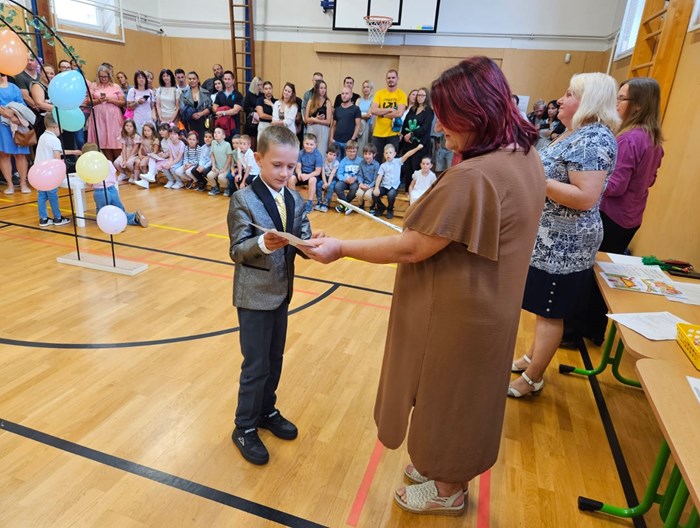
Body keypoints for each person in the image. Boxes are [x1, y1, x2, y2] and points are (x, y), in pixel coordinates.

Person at [304, 56, 545, 517]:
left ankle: (448, 487)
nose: (440, 127)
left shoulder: (475, 175)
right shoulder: (523, 154)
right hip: (491, 303)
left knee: (451, 395)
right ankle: (440, 466)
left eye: (447, 117)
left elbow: (414, 246)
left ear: (474, 114)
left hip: (464, 311)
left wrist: (341, 247)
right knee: (460, 393)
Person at [510, 72, 620, 398]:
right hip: (550, 239)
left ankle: (533, 378)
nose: (561, 99)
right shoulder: (577, 133)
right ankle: (532, 358)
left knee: (550, 311)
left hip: (566, 244)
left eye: (570, 94)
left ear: (588, 101)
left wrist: (537, 181)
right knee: (542, 308)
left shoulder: (594, 139)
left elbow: (585, 197)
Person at [228, 125, 322, 465]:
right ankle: (244, 426)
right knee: (256, 365)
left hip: (282, 293)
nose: (284, 173)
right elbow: (237, 250)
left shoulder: (295, 198)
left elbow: (302, 237)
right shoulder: (243, 199)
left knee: (275, 359)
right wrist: (263, 244)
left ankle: (266, 410)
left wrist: (313, 245)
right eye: (277, 165)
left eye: (290, 166)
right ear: (258, 159)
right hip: (254, 297)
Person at [568, 77, 665, 346]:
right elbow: (650, 179)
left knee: (589, 274)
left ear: (638, 105)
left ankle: (575, 332)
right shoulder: (653, 139)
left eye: (621, 99)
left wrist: (584, 180)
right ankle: (594, 329)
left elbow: (615, 186)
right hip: (631, 217)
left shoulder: (629, 139)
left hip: (611, 216)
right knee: (604, 275)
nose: (616, 104)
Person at [84, 142, 148, 228]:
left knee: (102, 210)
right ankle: (133, 218)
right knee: (119, 209)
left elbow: (90, 183)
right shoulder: (108, 162)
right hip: (112, 189)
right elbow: (115, 177)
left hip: (100, 192)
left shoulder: (90, 167)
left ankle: (108, 225)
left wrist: (86, 180)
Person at [34, 114, 80, 227]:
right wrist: (61, 173)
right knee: (53, 195)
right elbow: (57, 158)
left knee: (42, 196)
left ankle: (43, 218)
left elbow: (56, 151)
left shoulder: (43, 137)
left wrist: (73, 152)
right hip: (49, 173)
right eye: (61, 127)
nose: (62, 130)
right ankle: (58, 218)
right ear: (55, 127)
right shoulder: (54, 140)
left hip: (39, 172)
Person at [372, 142, 423, 220]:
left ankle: (390, 209)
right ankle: (381, 207)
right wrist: (376, 187)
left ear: (394, 154)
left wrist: (417, 148)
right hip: (384, 186)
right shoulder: (383, 165)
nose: (388, 155)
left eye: (390, 153)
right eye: (386, 153)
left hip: (393, 187)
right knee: (374, 194)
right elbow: (379, 177)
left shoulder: (398, 161)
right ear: (384, 154)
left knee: (391, 194)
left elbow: (408, 154)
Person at [0, 74, 31, 194]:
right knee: (4, 155)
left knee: (20, 154)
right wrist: (6, 114)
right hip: (1, 125)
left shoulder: (13, 87)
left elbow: (21, 103)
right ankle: (10, 184)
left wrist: (14, 115)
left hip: (17, 123)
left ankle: (23, 183)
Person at [87, 64, 125, 161]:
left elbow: (123, 103)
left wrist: (110, 100)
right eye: (101, 76)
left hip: (113, 117)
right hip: (99, 117)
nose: (103, 79)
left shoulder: (115, 86)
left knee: (115, 140)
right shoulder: (94, 85)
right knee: (102, 140)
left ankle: (119, 164)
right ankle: (109, 164)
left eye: (105, 76)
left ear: (109, 76)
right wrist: (98, 101)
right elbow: (88, 101)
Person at [399, 87, 434, 191]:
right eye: (418, 95)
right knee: (408, 167)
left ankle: (418, 190)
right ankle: (407, 190)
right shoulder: (412, 109)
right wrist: (405, 134)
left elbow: (425, 128)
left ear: (426, 97)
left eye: (422, 95)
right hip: (408, 143)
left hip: (420, 144)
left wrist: (412, 134)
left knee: (416, 167)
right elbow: (405, 123)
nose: (420, 97)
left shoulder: (429, 111)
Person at [371, 69, 407, 155]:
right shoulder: (379, 93)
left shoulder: (401, 94)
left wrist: (382, 114)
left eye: (393, 77)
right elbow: (373, 110)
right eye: (389, 78)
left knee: (391, 160)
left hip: (393, 133)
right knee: (376, 159)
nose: (391, 79)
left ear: (397, 79)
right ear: (386, 79)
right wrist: (390, 110)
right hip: (378, 133)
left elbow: (399, 113)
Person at [289, 132, 322, 212]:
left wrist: (307, 176)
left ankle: (309, 202)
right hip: (302, 173)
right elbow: (298, 167)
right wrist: (299, 174)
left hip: (312, 174)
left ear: (315, 145)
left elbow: (317, 171)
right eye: (307, 144)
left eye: (311, 144)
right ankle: (294, 200)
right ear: (303, 143)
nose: (309, 146)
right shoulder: (300, 153)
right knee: (291, 178)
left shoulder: (318, 155)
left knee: (312, 180)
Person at [180, 71, 211, 145]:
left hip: (203, 121)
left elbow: (209, 107)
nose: (192, 80)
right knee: (191, 143)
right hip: (189, 121)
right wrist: (192, 114)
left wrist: (200, 114)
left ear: (198, 80)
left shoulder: (206, 93)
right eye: (190, 79)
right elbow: (181, 108)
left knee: (202, 142)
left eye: (194, 78)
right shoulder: (183, 93)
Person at [330, 86, 361, 160]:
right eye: (342, 93)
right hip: (337, 141)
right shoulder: (337, 109)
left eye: (346, 93)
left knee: (347, 163)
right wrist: (331, 138)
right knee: (336, 163)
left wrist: (352, 139)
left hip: (348, 142)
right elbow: (333, 125)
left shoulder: (356, 109)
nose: (344, 95)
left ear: (351, 95)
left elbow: (358, 125)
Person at [304, 80, 331, 157]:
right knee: (310, 150)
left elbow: (328, 121)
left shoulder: (328, 102)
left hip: (323, 130)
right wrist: (315, 119)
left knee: (321, 151)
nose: (323, 90)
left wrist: (314, 119)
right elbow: (306, 119)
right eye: (321, 88)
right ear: (317, 89)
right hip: (311, 129)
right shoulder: (310, 101)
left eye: (324, 88)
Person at [213, 70, 244, 139]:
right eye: (225, 79)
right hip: (221, 127)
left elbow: (235, 111)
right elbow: (215, 107)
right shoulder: (220, 94)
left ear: (233, 81)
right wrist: (217, 111)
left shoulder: (238, 95)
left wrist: (222, 113)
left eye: (229, 79)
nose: (227, 81)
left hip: (233, 127)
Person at [333, 140, 361, 214]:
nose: (352, 153)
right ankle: (347, 206)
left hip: (354, 181)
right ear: (346, 151)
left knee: (354, 188)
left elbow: (361, 174)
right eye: (350, 151)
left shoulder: (360, 161)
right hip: (344, 180)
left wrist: (355, 178)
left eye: (354, 151)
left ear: (357, 151)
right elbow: (339, 174)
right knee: (337, 186)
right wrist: (345, 179)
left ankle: (343, 205)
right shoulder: (343, 161)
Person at [127, 71, 155, 135]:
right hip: (137, 119)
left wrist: (154, 116)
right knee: (138, 138)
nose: (141, 79)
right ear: (136, 80)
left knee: (150, 138)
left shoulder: (150, 91)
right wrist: (138, 102)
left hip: (149, 119)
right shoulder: (132, 91)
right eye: (139, 78)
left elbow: (152, 107)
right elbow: (128, 106)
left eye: (143, 78)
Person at [113, 118, 142, 183]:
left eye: (131, 126)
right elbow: (123, 148)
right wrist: (124, 159)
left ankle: (134, 174)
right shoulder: (123, 135)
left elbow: (134, 149)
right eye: (127, 126)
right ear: (124, 126)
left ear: (134, 128)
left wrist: (127, 160)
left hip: (134, 154)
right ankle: (124, 173)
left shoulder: (136, 136)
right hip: (125, 153)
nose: (128, 128)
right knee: (116, 162)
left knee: (129, 163)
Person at [207, 127, 233, 196]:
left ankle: (227, 187)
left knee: (221, 177)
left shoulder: (227, 144)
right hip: (217, 167)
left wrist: (224, 169)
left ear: (223, 136)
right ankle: (215, 188)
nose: (216, 134)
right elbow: (212, 155)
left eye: (218, 133)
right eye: (215, 132)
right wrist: (213, 166)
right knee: (209, 175)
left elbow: (229, 158)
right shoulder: (213, 142)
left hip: (226, 167)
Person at [355, 143, 380, 210]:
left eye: (369, 154)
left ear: (374, 154)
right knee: (358, 194)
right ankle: (361, 205)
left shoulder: (376, 165)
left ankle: (372, 206)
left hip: (372, 185)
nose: (367, 156)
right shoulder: (361, 163)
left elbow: (376, 179)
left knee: (367, 195)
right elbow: (360, 175)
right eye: (365, 154)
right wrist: (360, 183)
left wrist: (369, 186)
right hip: (364, 184)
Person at [314, 143, 338, 212]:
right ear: (327, 154)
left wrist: (328, 184)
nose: (332, 156)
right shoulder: (323, 162)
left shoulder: (336, 163)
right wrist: (325, 182)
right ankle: (319, 201)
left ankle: (325, 203)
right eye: (330, 154)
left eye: (334, 155)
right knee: (318, 185)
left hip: (332, 179)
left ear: (336, 156)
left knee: (330, 187)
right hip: (325, 178)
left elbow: (332, 174)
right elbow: (323, 173)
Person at [243, 76, 262, 148]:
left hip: (260, 120)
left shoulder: (262, 95)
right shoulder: (249, 95)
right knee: (252, 142)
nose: (260, 87)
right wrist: (254, 110)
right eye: (258, 85)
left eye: (261, 85)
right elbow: (245, 108)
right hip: (251, 121)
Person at [357, 80, 374, 153]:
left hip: (369, 126)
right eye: (364, 87)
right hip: (359, 126)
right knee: (359, 147)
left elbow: (368, 115)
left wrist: (360, 115)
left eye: (367, 87)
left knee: (367, 147)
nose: (365, 89)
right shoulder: (359, 100)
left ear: (371, 88)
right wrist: (363, 115)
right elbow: (355, 113)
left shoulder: (374, 100)